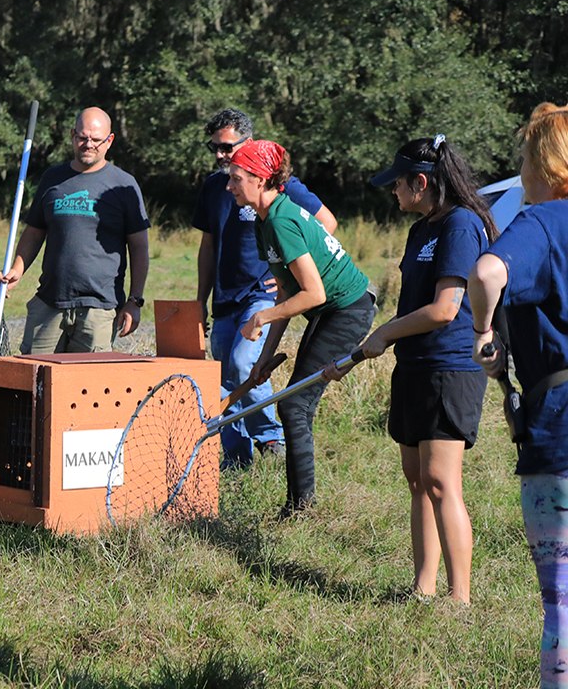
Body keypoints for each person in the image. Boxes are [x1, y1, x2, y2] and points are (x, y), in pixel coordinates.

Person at [328, 135, 495, 604]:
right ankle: (422, 589)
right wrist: (388, 338)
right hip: (414, 365)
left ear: (421, 182)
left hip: (449, 368)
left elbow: (446, 309)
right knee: (417, 479)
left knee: (441, 482)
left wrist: (385, 332)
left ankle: (459, 599)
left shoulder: (461, 226)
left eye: (398, 183)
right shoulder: (421, 229)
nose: (393, 190)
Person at [470, 102, 568, 686]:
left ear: (545, 165)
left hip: (559, 429)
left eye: (525, 158)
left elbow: (487, 273)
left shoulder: (543, 222)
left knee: (561, 602)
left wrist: (484, 333)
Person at [231, 139, 375, 518]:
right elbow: (286, 292)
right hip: (329, 310)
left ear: (261, 179)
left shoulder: (281, 220)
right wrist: (263, 359)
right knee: (295, 404)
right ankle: (299, 503)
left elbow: (313, 293)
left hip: (348, 309)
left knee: (294, 403)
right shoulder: (265, 221)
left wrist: (261, 317)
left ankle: (300, 509)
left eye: (236, 178)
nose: (229, 186)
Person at [194, 108, 338, 469]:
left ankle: (270, 438)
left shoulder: (275, 183)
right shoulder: (214, 187)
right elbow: (208, 246)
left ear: (249, 142)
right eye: (214, 147)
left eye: (227, 147)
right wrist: (200, 299)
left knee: (244, 363)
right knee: (223, 377)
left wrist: (291, 273)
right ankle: (235, 458)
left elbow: (326, 222)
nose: (220, 155)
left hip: (261, 294)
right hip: (224, 297)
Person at [0, 107, 150, 354]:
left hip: (99, 308)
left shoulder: (123, 185)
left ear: (109, 140)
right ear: (72, 135)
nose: (88, 144)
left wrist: (135, 301)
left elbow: (139, 247)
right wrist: (17, 270)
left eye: (96, 139)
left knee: (87, 379)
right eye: (82, 137)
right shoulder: (52, 179)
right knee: (34, 373)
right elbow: (34, 232)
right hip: (49, 302)